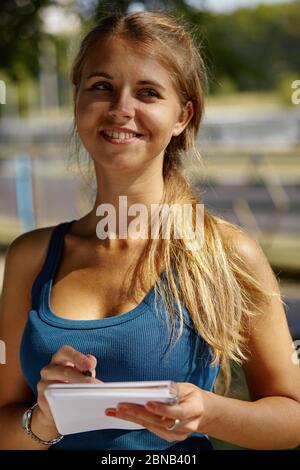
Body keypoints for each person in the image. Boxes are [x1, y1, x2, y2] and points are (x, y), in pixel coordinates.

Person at [0, 10, 299, 451]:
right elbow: (7, 428)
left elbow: (292, 416)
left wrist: (209, 411)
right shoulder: (30, 257)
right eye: (101, 87)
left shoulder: (227, 254)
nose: (121, 108)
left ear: (182, 116)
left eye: (148, 92)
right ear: (77, 100)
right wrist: (44, 419)